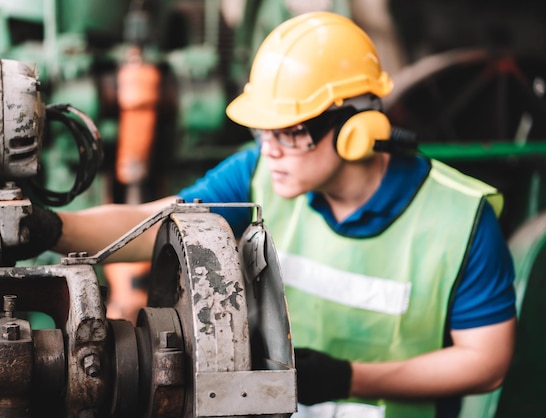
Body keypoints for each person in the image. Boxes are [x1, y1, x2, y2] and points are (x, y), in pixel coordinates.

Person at [38, 11, 516, 418]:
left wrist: (348, 378)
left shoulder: (460, 219)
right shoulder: (258, 173)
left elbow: (485, 361)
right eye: (264, 132)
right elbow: (157, 227)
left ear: (357, 129)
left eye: (291, 133)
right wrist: (52, 229)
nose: (273, 150)